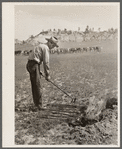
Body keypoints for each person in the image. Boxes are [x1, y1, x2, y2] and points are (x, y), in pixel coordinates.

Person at [26, 36, 59, 110]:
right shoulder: (46, 48)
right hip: (33, 65)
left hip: (30, 64)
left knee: (35, 85)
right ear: (50, 43)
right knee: (37, 85)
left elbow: (35, 58)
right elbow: (46, 63)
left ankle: (36, 104)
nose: (53, 47)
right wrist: (47, 75)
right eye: (53, 45)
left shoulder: (41, 46)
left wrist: (38, 70)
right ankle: (39, 105)